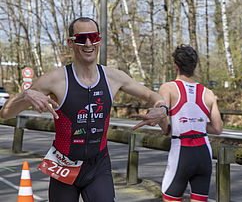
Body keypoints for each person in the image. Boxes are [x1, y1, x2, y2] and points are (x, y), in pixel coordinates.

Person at [0, 17, 168, 202]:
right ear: (70, 43)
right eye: (81, 38)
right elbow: (6, 113)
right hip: (63, 166)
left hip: (98, 166)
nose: (88, 43)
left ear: (99, 41)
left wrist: (162, 108)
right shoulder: (55, 79)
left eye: (93, 37)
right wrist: (25, 95)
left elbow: (153, 96)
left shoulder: (114, 77)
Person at [158, 45, 222, 202]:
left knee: (170, 197)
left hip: (181, 152)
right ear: (195, 66)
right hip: (203, 153)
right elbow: (218, 128)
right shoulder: (208, 93)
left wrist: (166, 128)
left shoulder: (168, 88)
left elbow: (162, 115)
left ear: (176, 66)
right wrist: (197, 122)